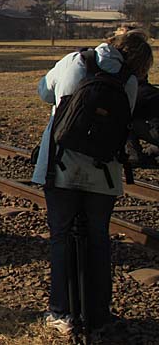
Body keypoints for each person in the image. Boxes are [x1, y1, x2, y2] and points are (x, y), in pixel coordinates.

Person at [32, 29, 153, 335]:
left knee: (60, 237)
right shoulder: (128, 81)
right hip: (103, 172)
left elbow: (44, 92)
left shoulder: (74, 60)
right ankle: (98, 313)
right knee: (98, 239)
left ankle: (60, 313)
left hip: (60, 168)